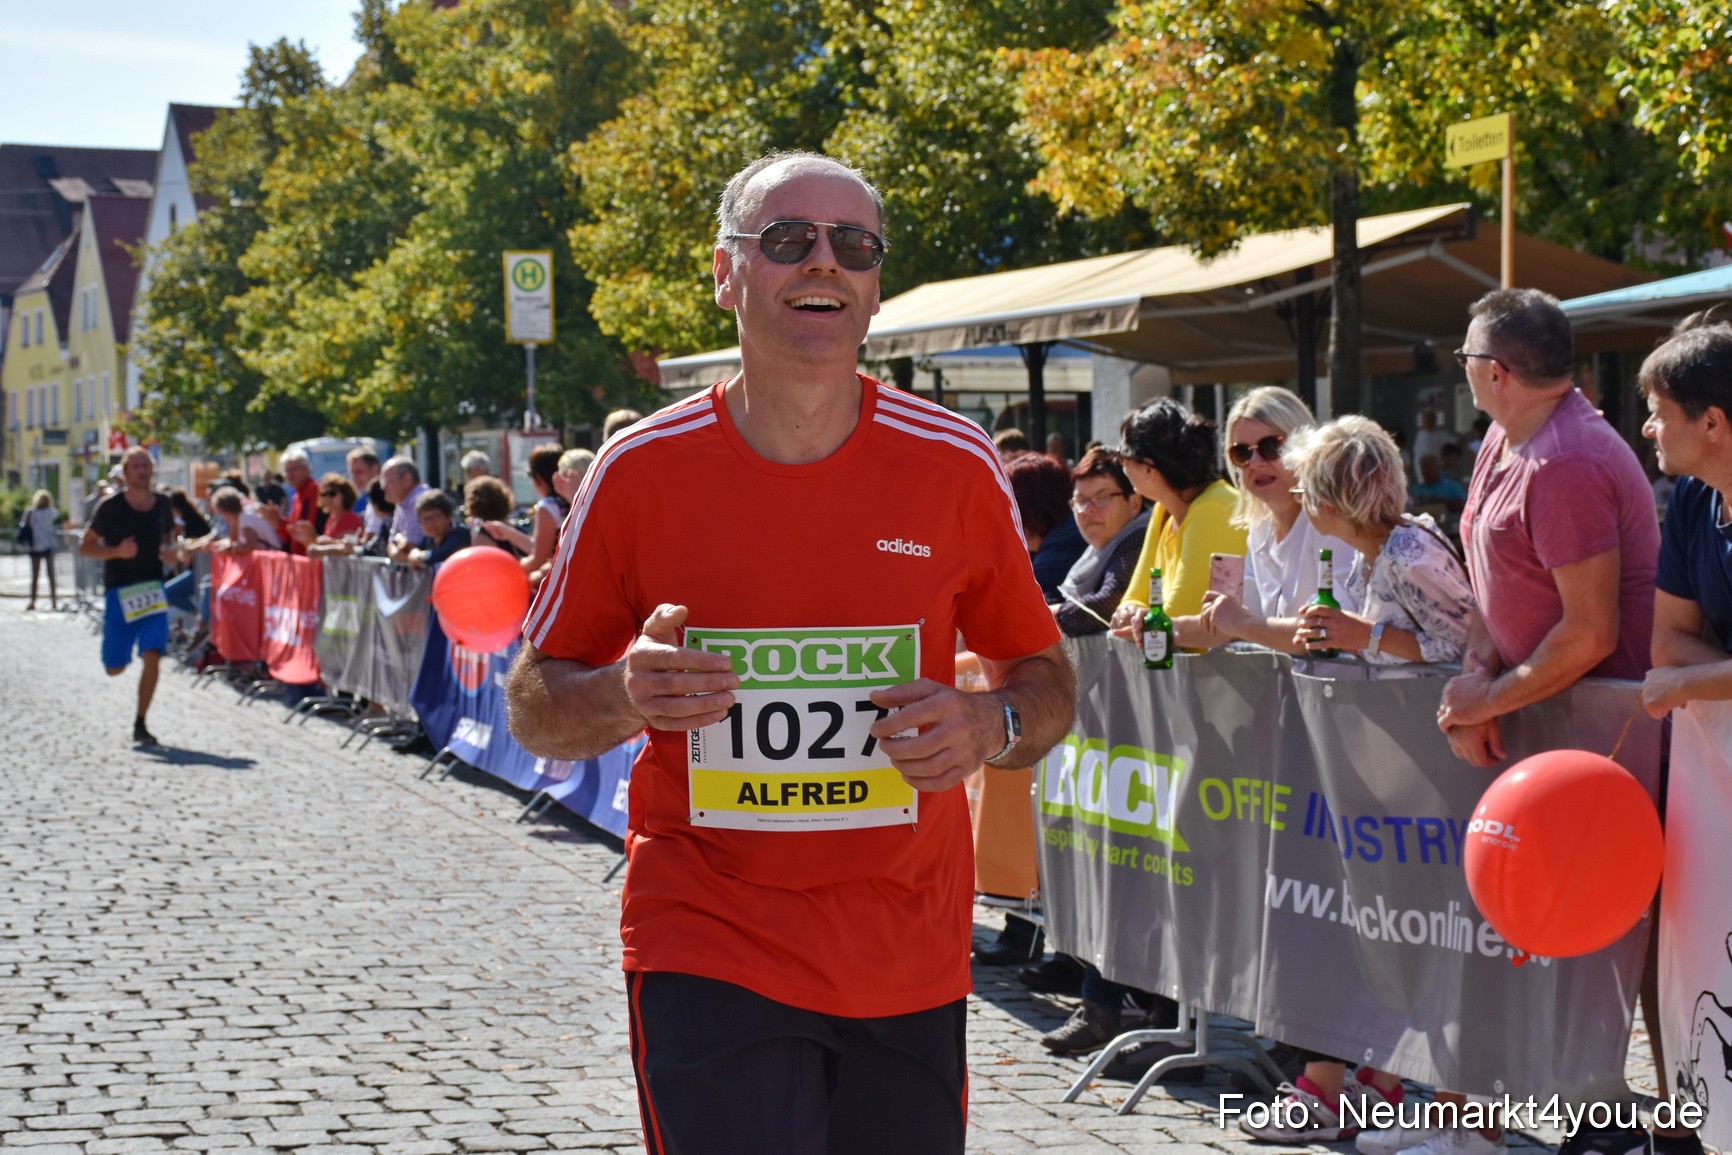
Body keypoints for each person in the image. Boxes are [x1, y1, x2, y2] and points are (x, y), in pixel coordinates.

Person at [504, 150, 1073, 1155]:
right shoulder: (640, 473)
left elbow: (1047, 687)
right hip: (708, 930)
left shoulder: (953, 465)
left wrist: (990, 721)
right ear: (725, 274)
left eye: (852, 245)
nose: (823, 263)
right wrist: (629, 697)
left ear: (874, 282)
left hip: (906, 947)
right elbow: (535, 702)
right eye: (786, 241)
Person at [1429, 289, 1662, 1155]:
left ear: (1496, 372)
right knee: (1532, 919)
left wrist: (1486, 700)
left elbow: (1590, 629)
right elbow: (1497, 584)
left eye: (1463, 359)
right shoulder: (1508, 432)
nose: (1462, 373)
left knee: (1600, 926)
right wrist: (1481, 675)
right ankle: (1510, 1109)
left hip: (1608, 726)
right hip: (1546, 713)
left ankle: (1617, 1119)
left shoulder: (1564, 458)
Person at [1285, 418, 1475, 667]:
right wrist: (1339, 635)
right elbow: (1394, 646)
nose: (1300, 504)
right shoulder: (1373, 552)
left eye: (1302, 494)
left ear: (1328, 506)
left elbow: (1466, 647)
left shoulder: (1407, 555)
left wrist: (1367, 636)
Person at [1197, 386, 1361, 652]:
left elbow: (1334, 630)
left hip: (1345, 691)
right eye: (1242, 452)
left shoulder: (1330, 520)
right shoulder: (1260, 530)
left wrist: (1241, 624)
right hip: (1293, 692)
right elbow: (1233, 623)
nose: (1256, 462)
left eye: (1271, 447)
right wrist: (1155, 627)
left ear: (1303, 446)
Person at [1640, 316, 1732, 717]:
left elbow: (1675, 667)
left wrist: (1687, 683)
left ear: (1711, 422)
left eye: (1659, 414)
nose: (1647, 429)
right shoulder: (1691, 495)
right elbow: (1669, 643)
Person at [1108, 398, 1247, 648]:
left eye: (1122, 455)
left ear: (1149, 469)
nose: (1121, 464)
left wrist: (1140, 617)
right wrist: (1135, 613)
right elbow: (1131, 603)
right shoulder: (1164, 510)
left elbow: (1175, 619)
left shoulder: (1214, 508)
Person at [79, 447, 178, 745]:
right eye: (135, 465)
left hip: (152, 591)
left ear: (152, 469)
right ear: (125, 471)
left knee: (152, 656)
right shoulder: (110, 507)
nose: (141, 470)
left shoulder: (162, 504)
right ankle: (116, 656)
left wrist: (172, 553)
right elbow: (85, 546)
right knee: (115, 667)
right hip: (120, 591)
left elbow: (169, 539)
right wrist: (116, 552)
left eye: (145, 465)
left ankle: (141, 722)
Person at [1050, 447, 1150, 637]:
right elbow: (1062, 597)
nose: (1087, 509)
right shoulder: (1098, 549)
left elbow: (1108, 602)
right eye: (1080, 500)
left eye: (1102, 498)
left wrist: (1043, 616)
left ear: (1134, 503)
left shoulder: (1139, 538)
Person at [1005, 451, 1088, 601]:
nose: (1008, 517)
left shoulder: (1066, 540)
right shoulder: (1063, 534)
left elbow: (1018, 595)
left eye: (1011, 506)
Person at [403, 490, 471, 568]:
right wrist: (414, 553)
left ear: (449, 516)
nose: (430, 523)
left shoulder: (461, 535)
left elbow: (443, 553)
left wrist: (420, 557)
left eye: (435, 516)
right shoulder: (429, 539)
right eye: (425, 518)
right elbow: (417, 549)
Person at [302, 476, 366, 557]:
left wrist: (323, 542)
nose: (327, 498)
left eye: (332, 493)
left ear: (345, 495)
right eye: (323, 494)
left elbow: (350, 547)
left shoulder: (349, 518)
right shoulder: (331, 519)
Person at [383, 456, 430, 564]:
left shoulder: (420, 500)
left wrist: (400, 543)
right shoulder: (402, 503)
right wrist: (399, 545)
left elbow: (413, 546)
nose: (383, 487)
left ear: (407, 480)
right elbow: (391, 543)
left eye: (387, 481)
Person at [20, 489, 59, 612]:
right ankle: (54, 600)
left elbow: (23, 524)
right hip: (48, 545)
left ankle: (33, 600)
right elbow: (57, 514)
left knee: (35, 575)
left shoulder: (30, 512)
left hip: (35, 546)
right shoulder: (50, 512)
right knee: (51, 574)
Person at [278, 450, 320, 556]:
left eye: (293, 470)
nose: (289, 475)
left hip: (311, 556)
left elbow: (304, 527)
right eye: (286, 471)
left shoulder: (313, 490)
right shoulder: (297, 495)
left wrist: (279, 522)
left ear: (307, 470)